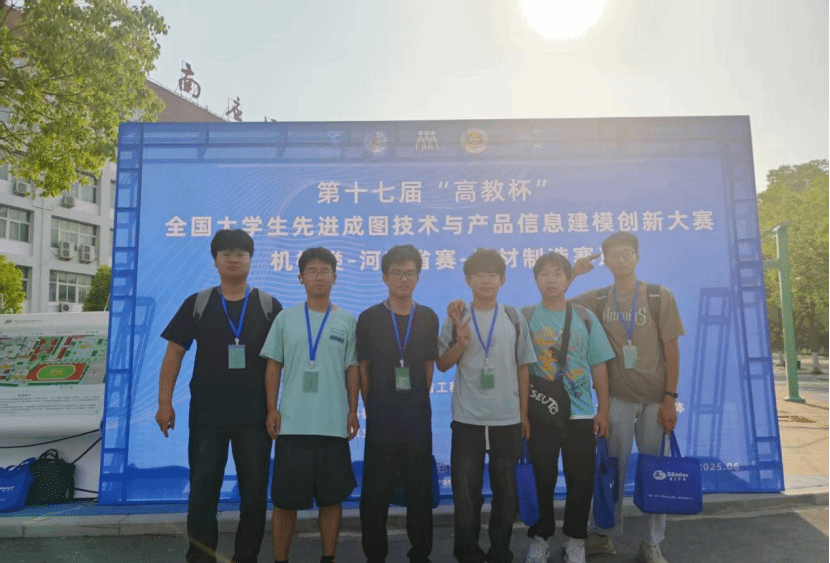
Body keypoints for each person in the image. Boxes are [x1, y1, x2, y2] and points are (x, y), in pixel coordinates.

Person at [156, 229, 282, 563]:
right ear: (215, 260)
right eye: (226, 253)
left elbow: (280, 362)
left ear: (251, 260)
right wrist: (164, 402)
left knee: (254, 494)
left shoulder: (269, 306)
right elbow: (174, 354)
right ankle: (200, 558)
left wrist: (275, 408)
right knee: (202, 493)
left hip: (255, 418)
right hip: (207, 417)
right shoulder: (198, 303)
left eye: (241, 254)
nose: (233, 259)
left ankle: (246, 557)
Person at [571, 232, 685, 563]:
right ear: (604, 261)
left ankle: (652, 543)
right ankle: (603, 534)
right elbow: (555, 305)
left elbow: (672, 349)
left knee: (655, 473)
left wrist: (670, 399)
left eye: (627, 252)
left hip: (655, 401)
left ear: (637, 257)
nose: (620, 258)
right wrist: (574, 272)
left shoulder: (659, 296)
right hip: (617, 400)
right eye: (614, 254)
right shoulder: (597, 298)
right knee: (611, 471)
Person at [260, 247, 360, 563]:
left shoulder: (347, 321)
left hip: (333, 424)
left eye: (325, 270)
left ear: (335, 277)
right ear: (300, 278)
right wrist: (272, 408)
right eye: (312, 271)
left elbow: (352, 369)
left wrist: (353, 410)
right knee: (284, 502)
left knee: (331, 500)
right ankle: (280, 559)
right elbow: (273, 365)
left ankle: (328, 557)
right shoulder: (285, 319)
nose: (319, 276)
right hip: (292, 424)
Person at [437, 248, 537, 563]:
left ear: (502, 280)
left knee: (506, 494)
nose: (485, 280)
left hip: (507, 419)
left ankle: (499, 551)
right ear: (468, 279)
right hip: (467, 419)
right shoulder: (456, 316)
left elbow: (524, 366)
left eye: (492, 274)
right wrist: (460, 343)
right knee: (466, 494)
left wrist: (523, 414)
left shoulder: (513, 317)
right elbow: (442, 363)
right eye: (479, 274)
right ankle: (467, 552)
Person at [522, 252, 615, 563]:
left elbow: (598, 364)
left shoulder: (584, 317)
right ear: (536, 280)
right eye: (544, 273)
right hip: (540, 412)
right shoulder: (525, 316)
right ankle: (539, 538)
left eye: (558, 274)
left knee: (580, 479)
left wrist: (603, 410)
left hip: (580, 412)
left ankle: (575, 540)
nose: (551, 279)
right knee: (542, 478)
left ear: (567, 279)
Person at [357, 244, 439, 563]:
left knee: (419, 491)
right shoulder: (369, 318)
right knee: (375, 494)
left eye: (410, 273)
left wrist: (416, 399)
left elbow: (429, 367)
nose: (404, 279)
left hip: (417, 419)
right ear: (385, 277)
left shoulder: (428, 317)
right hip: (381, 420)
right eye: (397, 273)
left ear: (418, 277)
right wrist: (372, 407)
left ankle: (421, 554)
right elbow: (364, 367)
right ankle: (375, 555)